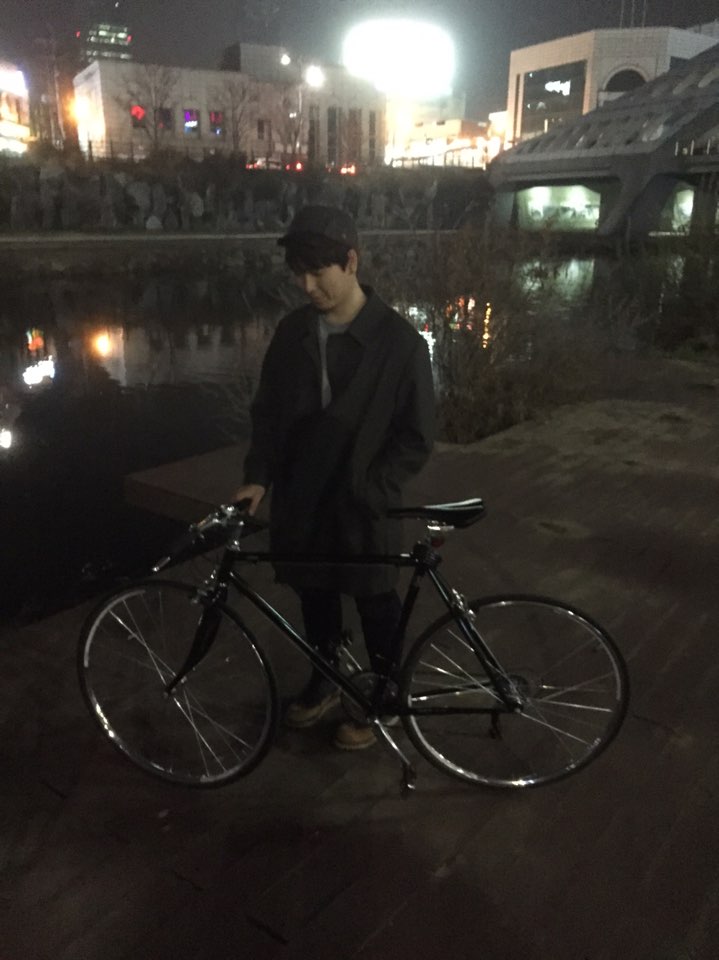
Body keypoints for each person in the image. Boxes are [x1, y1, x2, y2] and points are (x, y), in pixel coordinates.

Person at [234, 204, 435, 750]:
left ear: (351, 261)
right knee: (313, 593)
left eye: (318, 272)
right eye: (299, 274)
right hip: (302, 494)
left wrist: (372, 485)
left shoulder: (400, 343)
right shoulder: (293, 331)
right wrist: (258, 476)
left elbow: (417, 436)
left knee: (376, 601)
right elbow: (269, 413)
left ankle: (385, 698)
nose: (308, 286)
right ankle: (325, 679)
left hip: (362, 502)